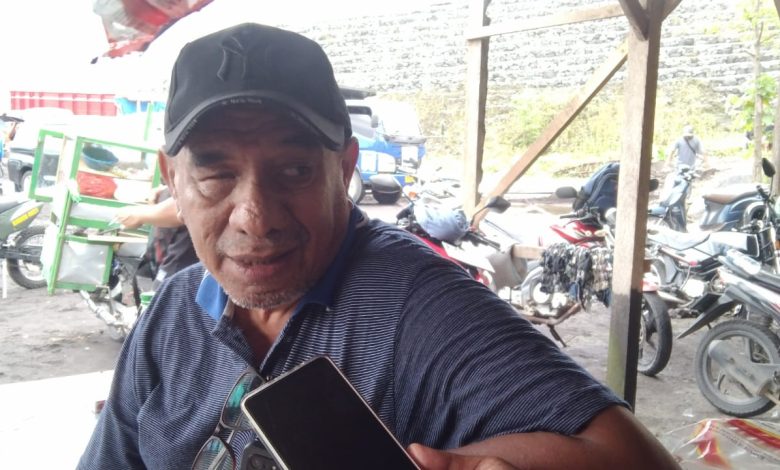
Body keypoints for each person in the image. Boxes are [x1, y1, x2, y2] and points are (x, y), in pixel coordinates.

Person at [79, 23, 679, 469]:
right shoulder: (174, 309)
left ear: (343, 169)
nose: (255, 219)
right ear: (172, 178)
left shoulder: (418, 307)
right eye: (215, 173)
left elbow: (635, 459)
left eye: (294, 171)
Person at [114, 187, 198, 289]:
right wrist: (166, 188)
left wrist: (141, 214)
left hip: (180, 258)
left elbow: (190, 204)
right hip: (161, 252)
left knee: (163, 291)